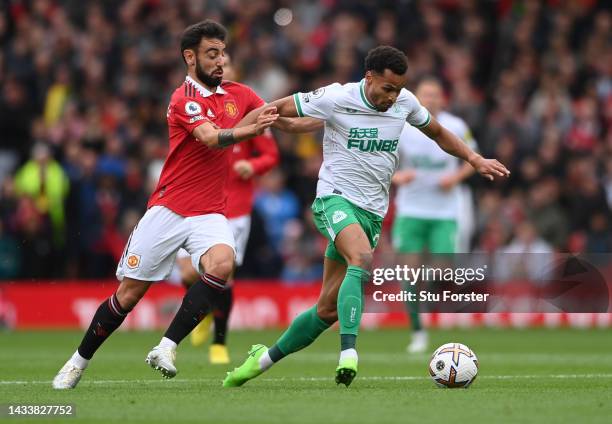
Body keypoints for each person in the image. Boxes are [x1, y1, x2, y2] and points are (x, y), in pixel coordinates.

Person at [223, 45, 509, 388]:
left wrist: (475, 160)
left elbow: (438, 133)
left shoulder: (404, 103)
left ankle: (262, 361)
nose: (393, 96)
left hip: (372, 211)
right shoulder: (336, 96)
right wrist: (230, 137)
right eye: (388, 88)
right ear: (369, 77)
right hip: (334, 199)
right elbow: (274, 108)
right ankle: (348, 353)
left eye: (399, 89)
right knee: (361, 257)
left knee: (326, 310)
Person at [51, 19, 283, 389]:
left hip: (210, 211)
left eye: (222, 53)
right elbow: (210, 137)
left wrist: (326, 110)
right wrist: (247, 131)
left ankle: (166, 346)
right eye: (211, 54)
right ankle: (77, 362)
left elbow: (281, 111)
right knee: (128, 295)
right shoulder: (183, 99)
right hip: (169, 209)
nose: (220, 60)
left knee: (221, 265)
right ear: (190, 57)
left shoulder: (238, 93)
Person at [175, 54, 280, 364]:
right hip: (194, 202)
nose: (221, 68)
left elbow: (271, 155)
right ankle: (204, 311)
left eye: (228, 65)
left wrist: (254, 164)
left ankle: (219, 343)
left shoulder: (247, 110)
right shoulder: (196, 107)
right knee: (187, 272)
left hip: (234, 207)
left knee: (223, 274)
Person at [391, 76, 479, 353]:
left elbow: (472, 158)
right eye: (425, 95)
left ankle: (428, 299)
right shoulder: (402, 126)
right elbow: (383, 160)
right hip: (411, 210)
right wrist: (396, 176)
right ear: (416, 98)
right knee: (409, 271)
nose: (430, 99)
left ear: (443, 99)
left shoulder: (455, 126)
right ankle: (417, 331)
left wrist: (455, 178)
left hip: (444, 211)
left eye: (435, 95)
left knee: (443, 268)